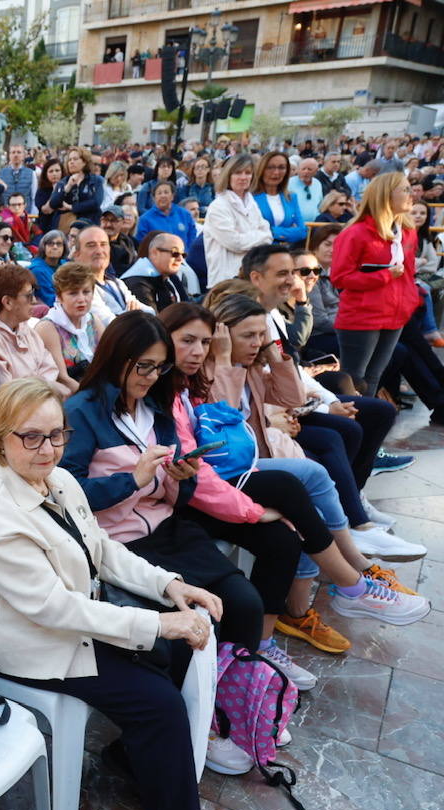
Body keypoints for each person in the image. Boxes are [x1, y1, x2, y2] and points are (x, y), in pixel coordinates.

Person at [0, 377, 216, 810]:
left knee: (172, 658)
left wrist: (168, 584)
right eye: (30, 436)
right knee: (159, 704)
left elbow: (101, 549)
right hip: (30, 646)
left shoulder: (57, 478)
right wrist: (157, 621)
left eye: (57, 435)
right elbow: (55, 609)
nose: (47, 448)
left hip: (69, 623)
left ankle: (137, 762)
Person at [163, 302, 429, 652]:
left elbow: (293, 396)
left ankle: (275, 633)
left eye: (263, 334)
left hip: (240, 464)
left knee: (294, 518)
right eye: (248, 335)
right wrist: (224, 360)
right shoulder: (203, 373)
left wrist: (278, 355)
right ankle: (352, 577)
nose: (257, 342)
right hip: (219, 475)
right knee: (301, 480)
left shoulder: (239, 368)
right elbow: (220, 436)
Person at [62, 310, 303, 677]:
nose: (152, 376)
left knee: (244, 604)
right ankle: (200, 710)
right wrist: (133, 479)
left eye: (160, 367)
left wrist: (182, 476)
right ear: (117, 358)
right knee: (193, 633)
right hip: (119, 545)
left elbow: (178, 491)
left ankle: (232, 703)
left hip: (169, 528)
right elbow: (68, 492)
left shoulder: (155, 408)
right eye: (144, 366)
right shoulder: (83, 411)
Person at [330, 170, 418, 394]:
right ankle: (350, 426)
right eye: (405, 189)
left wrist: (410, 301)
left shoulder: (407, 232)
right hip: (362, 316)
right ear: (386, 195)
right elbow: (340, 277)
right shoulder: (356, 233)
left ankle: (366, 426)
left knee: (374, 376)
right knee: (353, 381)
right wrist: (384, 275)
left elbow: (409, 274)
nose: (412, 194)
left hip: (395, 314)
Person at [0, 265, 72, 395]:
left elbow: (49, 367)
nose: (34, 301)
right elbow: (8, 391)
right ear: (8, 302)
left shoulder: (22, 325)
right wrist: (47, 385)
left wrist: (35, 383)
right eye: (29, 295)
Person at [203, 153, 274, 287]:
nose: (243, 177)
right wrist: (259, 236)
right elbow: (235, 243)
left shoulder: (252, 203)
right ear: (228, 175)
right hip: (226, 281)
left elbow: (268, 235)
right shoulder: (218, 206)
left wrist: (249, 236)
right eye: (238, 173)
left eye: (248, 173)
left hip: (252, 276)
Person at [36, 262, 104, 385]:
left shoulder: (93, 320)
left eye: (86, 292)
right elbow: (62, 378)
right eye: (73, 293)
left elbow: (111, 358)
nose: (81, 299)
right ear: (59, 297)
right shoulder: (48, 327)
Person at [122, 231, 190, 312]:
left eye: (183, 255)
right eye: (175, 253)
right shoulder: (137, 283)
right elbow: (151, 320)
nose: (180, 259)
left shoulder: (172, 278)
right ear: (154, 253)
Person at [251, 152, 307, 246]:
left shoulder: (291, 198)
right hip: (257, 254)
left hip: (284, 254)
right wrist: (289, 232)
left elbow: (302, 232)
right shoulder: (250, 198)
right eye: (270, 167)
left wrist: (272, 231)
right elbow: (250, 231)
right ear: (261, 169)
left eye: (281, 167)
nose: (276, 172)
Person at [134, 181, 198, 250]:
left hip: (183, 257)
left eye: (166, 192)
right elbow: (142, 244)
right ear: (154, 198)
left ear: (172, 196)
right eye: (159, 193)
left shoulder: (184, 214)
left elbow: (192, 236)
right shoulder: (145, 219)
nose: (163, 195)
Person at [49, 147, 104, 225]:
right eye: (70, 160)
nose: (71, 162)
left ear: (84, 162)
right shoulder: (63, 182)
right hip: (66, 225)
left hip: (90, 223)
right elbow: (53, 204)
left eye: (75, 159)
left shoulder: (96, 180)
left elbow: (96, 202)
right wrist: (68, 187)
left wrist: (72, 207)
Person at [29, 230, 67, 307]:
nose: (55, 247)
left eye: (59, 244)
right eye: (50, 243)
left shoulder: (66, 266)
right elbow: (49, 300)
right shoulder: (37, 270)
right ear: (43, 247)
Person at [34, 158, 66, 235]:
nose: (54, 174)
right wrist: (55, 191)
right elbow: (47, 210)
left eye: (57, 171)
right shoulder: (42, 191)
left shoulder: (67, 188)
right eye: (51, 171)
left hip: (64, 226)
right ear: (46, 174)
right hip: (46, 228)